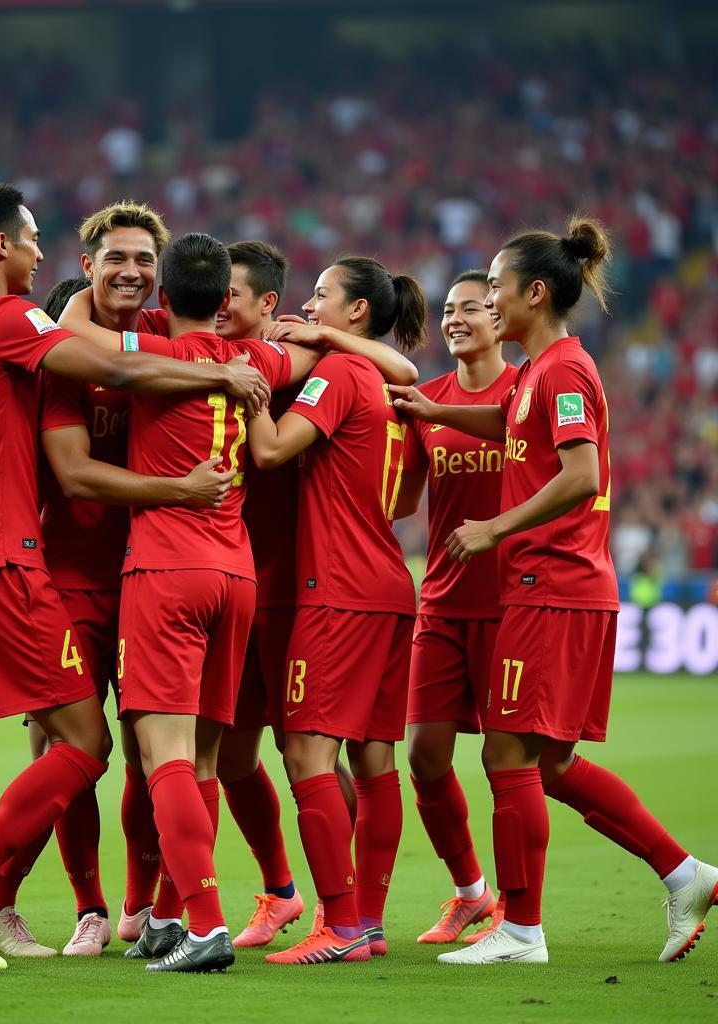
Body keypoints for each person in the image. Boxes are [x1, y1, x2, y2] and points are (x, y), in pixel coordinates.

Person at [0, 184, 270, 971]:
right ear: (11, 250)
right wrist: (214, 380)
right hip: (21, 563)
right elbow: (98, 409)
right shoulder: (36, 330)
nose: (39, 252)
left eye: (143, 260)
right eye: (33, 242)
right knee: (83, 745)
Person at [391, 217, 718, 965]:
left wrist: (494, 527)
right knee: (551, 766)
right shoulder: (541, 373)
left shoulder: (564, 371)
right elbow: (507, 423)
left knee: (509, 757)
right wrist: (435, 411)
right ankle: (684, 874)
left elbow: (581, 475)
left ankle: (522, 930)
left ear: (534, 293)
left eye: (498, 287)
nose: (488, 301)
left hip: (552, 585)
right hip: (554, 586)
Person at [57, 231, 320, 973]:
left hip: (166, 571)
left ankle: (204, 924)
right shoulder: (259, 361)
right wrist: (311, 333)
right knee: (202, 762)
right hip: (236, 575)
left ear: (164, 297)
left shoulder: (152, 364)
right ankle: (170, 916)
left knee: (160, 755)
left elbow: (73, 338)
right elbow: (308, 358)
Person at [214, 241, 419, 948]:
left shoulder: (335, 372)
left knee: (307, 759)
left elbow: (270, 451)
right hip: (383, 581)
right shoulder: (363, 371)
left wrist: (246, 389)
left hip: (332, 589)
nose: (308, 304)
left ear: (356, 309)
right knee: (371, 759)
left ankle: (342, 922)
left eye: (323, 296)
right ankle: (363, 919)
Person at [392, 270, 518, 944]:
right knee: (425, 756)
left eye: (471, 307)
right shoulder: (427, 400)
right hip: (441, 600)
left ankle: (519, 913)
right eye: (448, 310)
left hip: (511, 605)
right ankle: (472, 892)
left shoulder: (523, 395)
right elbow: (403, 501)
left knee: (507, 764)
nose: (456, 318)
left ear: (500, 318)